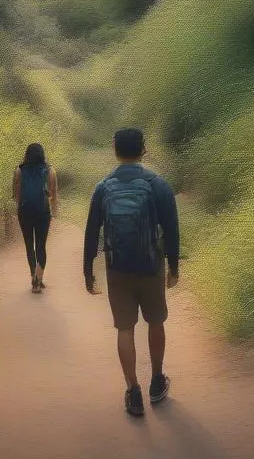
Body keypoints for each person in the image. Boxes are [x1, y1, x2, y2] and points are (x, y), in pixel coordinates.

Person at [83, 127, 180, 418]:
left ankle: (133, 391)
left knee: (125, 328)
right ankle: (157, 380)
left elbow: (91, 232)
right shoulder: (157, 185)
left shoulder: (103, 187)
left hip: (118, 269)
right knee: (155, 322)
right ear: (143, 149)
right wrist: (174, 266)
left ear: (115, 149)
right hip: (151, 266)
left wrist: (88, 271)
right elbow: (172, 230)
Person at [12, 143, 59, 292]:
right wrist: (54, 211)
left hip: (24, 212)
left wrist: (18, 209)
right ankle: (38, 280)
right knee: (41, 245)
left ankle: (34, 275)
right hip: (42, 212)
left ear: (27, 154)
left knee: (28, 244)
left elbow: (16, 195)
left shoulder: (19, 170)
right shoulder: (50, 170)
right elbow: (53, 194)